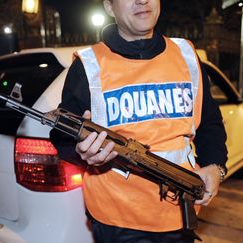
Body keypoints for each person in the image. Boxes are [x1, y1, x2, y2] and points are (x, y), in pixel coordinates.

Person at [50, 0, 228, 242]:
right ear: (110, 7)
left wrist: (216, 167)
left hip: (179, 214)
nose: (141, 0)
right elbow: (62, 136)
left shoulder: (186, 55)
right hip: (117, 220)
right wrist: (82, 153)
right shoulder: (88, 65)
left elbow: (210, 123)